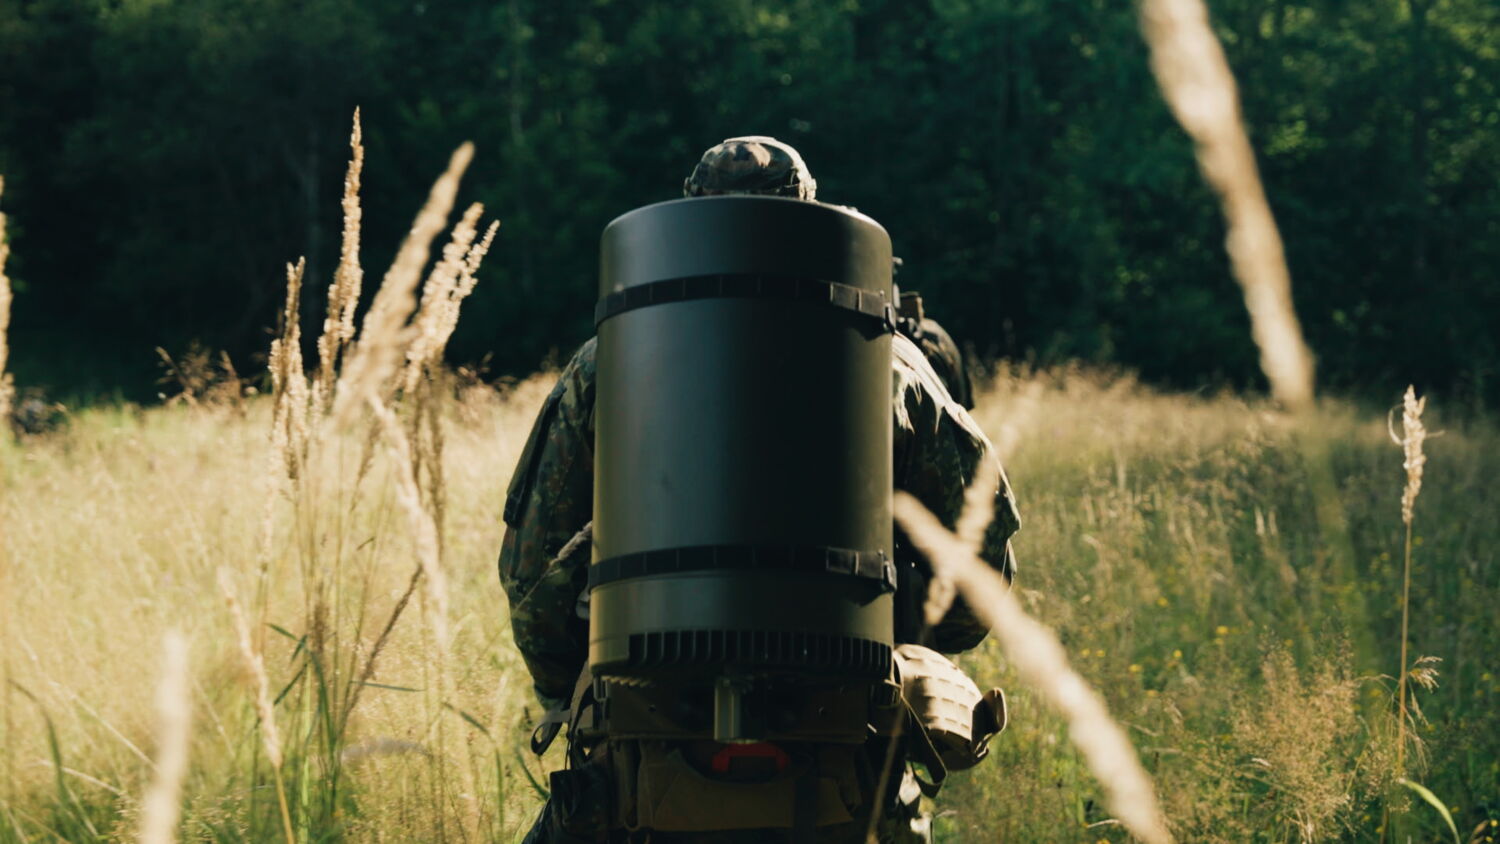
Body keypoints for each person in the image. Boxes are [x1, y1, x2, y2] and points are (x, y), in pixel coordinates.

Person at [499, 136, 1020, 843]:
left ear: (691, 218)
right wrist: (885, 630)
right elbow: (978, 578)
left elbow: (532, 578)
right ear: (808, 214)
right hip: (844, 737)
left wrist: (580, 693)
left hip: (646, 738)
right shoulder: (891, 364)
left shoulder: (607, 363)